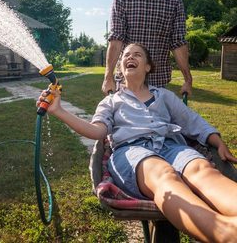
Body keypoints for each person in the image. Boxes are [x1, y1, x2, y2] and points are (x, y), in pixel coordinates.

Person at [37, 43, 237, 243]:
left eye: (137, 55)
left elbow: (193, 122)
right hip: (132, 151)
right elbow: (96, 131)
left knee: (202, 169)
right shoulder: (111, 101)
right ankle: (224, 233)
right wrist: (58, 111)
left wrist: (217, 142)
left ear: (148, 67)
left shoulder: (164, 96)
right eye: (126, 55)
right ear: (121, 67)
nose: (130, 57)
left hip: (171, 146)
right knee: (163, 174)